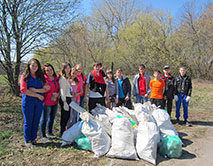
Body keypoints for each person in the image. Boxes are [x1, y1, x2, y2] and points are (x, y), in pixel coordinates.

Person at [20, 58, 50, 148]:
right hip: (28, 102)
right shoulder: (24, 76)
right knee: (28, 121)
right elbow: (23, 90)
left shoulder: (40, 76)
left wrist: (35, 90)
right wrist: (37, 95)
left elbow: (46, 88)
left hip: (38, 102)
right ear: (29, 66)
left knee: (36, 120)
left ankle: (33, 138)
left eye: (36, 65)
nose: (34, 67)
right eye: (32, 65)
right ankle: (27, 140)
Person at [40, 63, 60, 141]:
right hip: (46, 102)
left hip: (55, 101)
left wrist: (57, 94)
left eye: (51, 70)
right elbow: (43, 90)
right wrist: (51, 94)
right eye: (47, 71)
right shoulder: (43, 79)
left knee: (52, 118)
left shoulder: (56, 78)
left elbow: (59, 88)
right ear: (45, 72)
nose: (49, 72)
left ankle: (50, 132)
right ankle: (43, 135)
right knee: (44, 118)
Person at [59, 62, 72, 136]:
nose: (68, 69)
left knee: (68, 116)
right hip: (64, 99)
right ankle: (62, 131)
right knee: (64, 116)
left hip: (69, 97)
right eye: (66, 68)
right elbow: (62, 90)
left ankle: (64, 130)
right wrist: (64, 102)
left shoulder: (68, 78)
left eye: (69, 68)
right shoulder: (63, 79)